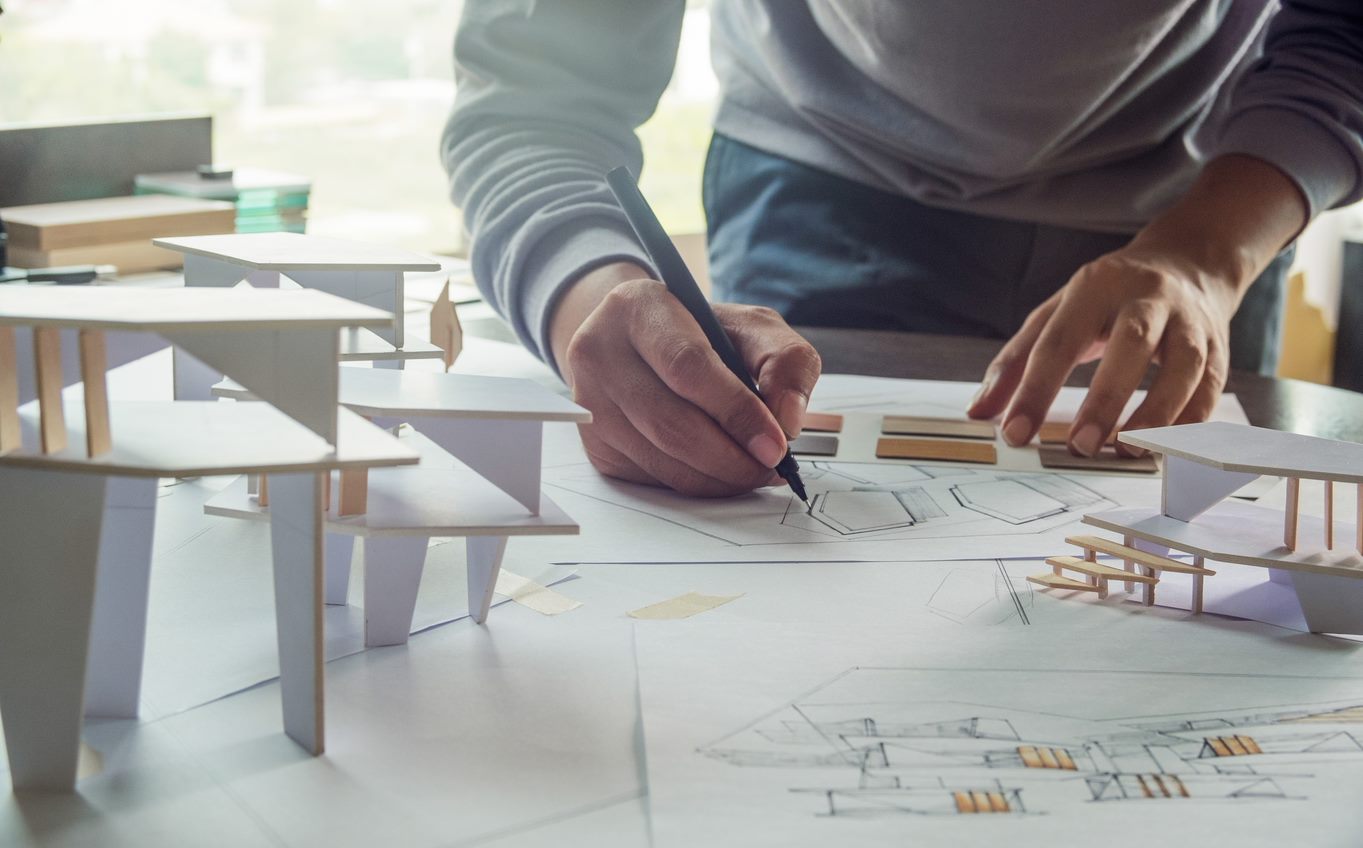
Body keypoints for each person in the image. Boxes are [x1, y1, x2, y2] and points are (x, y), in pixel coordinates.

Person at [442, 1, 1363, 497]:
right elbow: (536, 103)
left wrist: (1207, 254)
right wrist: (586, 299)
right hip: (817, 182)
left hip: (1206, 203)